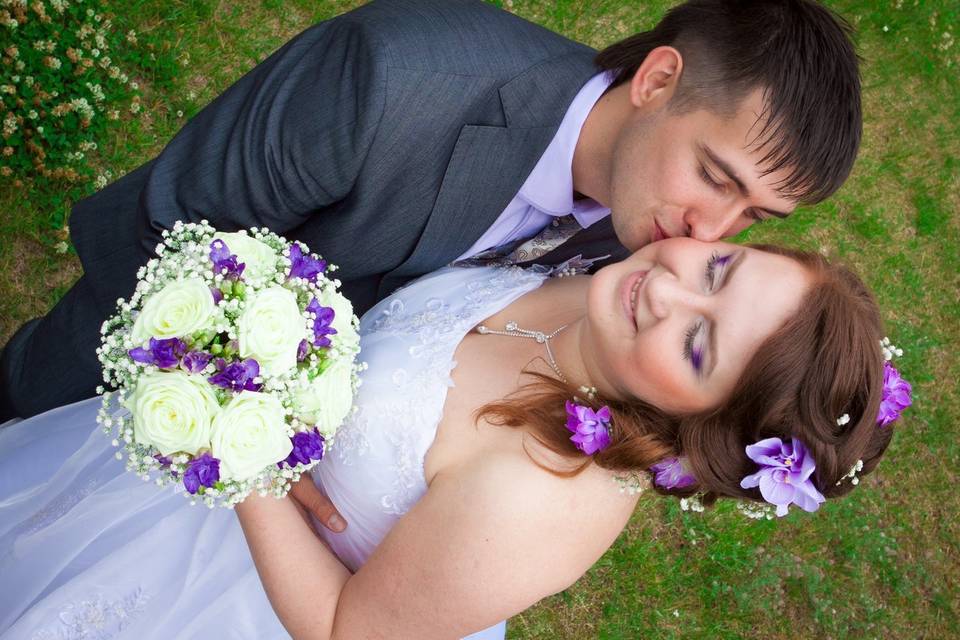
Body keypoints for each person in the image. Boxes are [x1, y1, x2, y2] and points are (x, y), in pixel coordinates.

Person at [0, 0, 862, 424]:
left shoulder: (658, 268)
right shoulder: (392, 79)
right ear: (659, 81)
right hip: (124, 366)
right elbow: (168, 225)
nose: (710, 237)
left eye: (755, 216)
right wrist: (248, 428)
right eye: (716, 176)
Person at [0, 237, 895, 639]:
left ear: (698, 429)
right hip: (191, 490)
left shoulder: (550, 490)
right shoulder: (592, 274)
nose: (667, 290)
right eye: (719, 268)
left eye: (698, 345)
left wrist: (241, 447)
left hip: (226, 590)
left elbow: (347, 630)